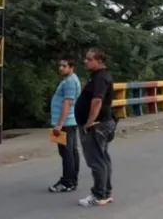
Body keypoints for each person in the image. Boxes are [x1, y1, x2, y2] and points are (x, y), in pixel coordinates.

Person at [75, 47, 116, 207]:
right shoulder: (99, 76)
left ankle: (99, 195)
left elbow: (97, 100)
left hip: (97, 125)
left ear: (99, 61)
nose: (85, 61)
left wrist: (90, 122)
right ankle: (105, 192)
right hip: (102, 123)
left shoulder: (100, 78)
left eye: (89, 59)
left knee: (96, 160)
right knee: (103, 159)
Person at [48, 55, 82, 193]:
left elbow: (67, 103)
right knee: (71, 152)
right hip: (68, 122)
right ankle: (72, 180)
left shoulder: (69, 82)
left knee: (66, 153)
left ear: (71, 67)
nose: (61, 68)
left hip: (65, 123)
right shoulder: (70, 80)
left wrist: (59, 125)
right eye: (60, 65)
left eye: (64, 66)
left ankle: (67, 182)